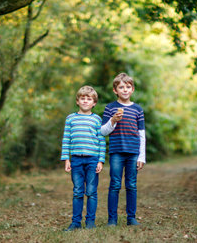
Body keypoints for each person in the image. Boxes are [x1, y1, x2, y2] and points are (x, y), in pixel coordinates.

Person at [101, 73, 146, 226]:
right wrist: (113, 120)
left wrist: (142, 157)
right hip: (116, 152)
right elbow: (103, 131)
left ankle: (131, 218)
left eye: (128, 87)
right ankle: (112, 219)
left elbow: (141, 135)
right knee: (114, 184)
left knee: (131, 184)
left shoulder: (138, 109)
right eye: (121, 87)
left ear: (132, 89)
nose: (125, 90)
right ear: (115, 90)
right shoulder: (110, 108)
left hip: (133, 153)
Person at [60, 85, 106, 231]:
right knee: (77, 191)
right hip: (76, 160)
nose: (85, 101)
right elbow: (66, 139)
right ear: (77, 101)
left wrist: (100, 160)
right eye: (82, 98)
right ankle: (75, 222)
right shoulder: (70, 119)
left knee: (91, 191)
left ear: (94, 103)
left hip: (92, 159)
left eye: (89, 99)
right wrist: (66, 159)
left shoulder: (97, 119)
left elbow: (101, 141)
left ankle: (90, 222)